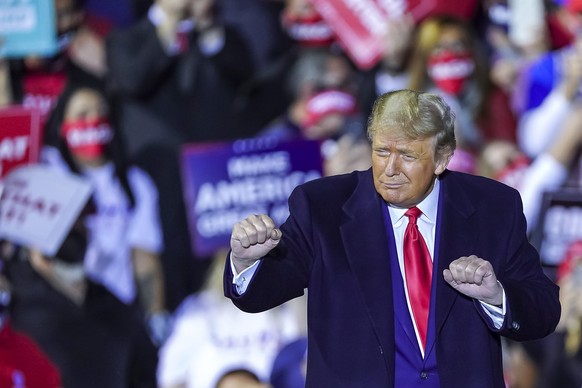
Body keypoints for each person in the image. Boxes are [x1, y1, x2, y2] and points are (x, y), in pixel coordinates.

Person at [224, 89, 561, 387]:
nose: (390, 169)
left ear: (442, 158)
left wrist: (496, 295)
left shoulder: (493, 206)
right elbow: (260, 293)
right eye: (382, 152)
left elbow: (543, 310)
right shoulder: (323, 207)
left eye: (408, 155)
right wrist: (244, 260)